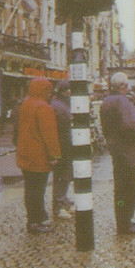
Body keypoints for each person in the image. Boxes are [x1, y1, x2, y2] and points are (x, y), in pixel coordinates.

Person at [99, 72, 135, 236]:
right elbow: (130, 124)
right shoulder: (122, 101)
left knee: (120, 189)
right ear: (123, 86)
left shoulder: (106, 101)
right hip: (129, 152)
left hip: (117, 150)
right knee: (130, 189)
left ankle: (121, 221)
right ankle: (126, 223)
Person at [14, 77, 61, 233]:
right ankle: (36, 222)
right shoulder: (44, 107)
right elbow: (50, 135)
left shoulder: (25, 104)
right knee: (38, 191)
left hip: (24, 153)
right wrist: (55, 155)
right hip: (39, 156)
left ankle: (35, 219)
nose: (50, 94)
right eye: (49, 90)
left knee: (30, 190)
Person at [49, 81, 74, 219]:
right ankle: (58, 205)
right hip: (63, 145)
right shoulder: (60, 106)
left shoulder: (59, 103)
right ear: (65, 91)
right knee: (62, 176)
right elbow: (63, 127)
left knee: (64, 175)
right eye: (69, 90)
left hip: (63, 144)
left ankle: (62, 201)